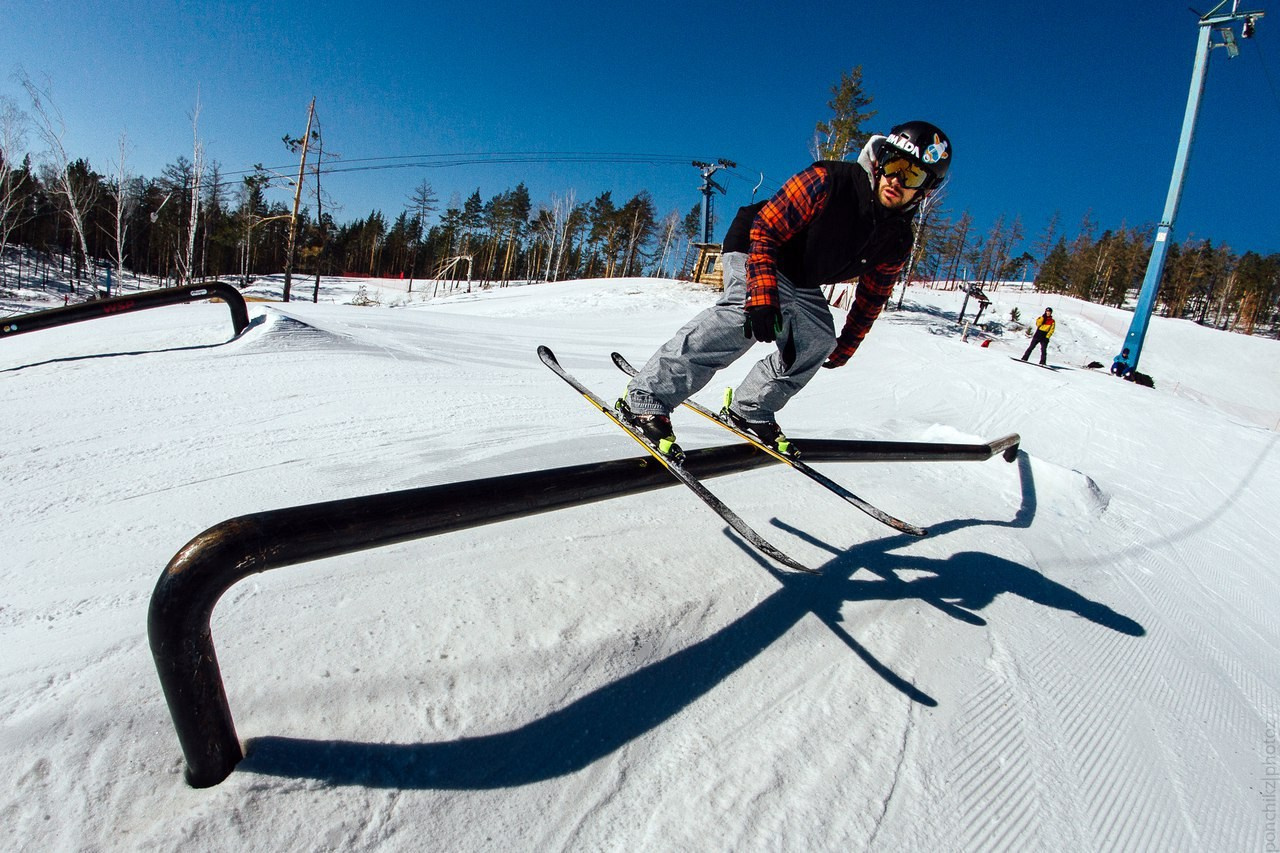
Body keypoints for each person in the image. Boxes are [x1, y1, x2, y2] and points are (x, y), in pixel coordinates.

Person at [618, 120, 952, 458]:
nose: (897, 180)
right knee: (743, 318)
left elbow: (873, 296)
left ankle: (750, 409)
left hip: (801, 276)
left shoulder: (897, 239)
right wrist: (761, 297)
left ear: (924, 189)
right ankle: (647, 396)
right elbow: (765, 231)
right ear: (880, 161)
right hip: (758, 245)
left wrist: (847, 343)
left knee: (818, 341)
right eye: (894, 165)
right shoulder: (829, 180)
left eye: (912, 175)